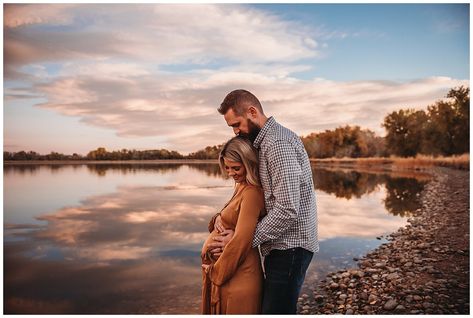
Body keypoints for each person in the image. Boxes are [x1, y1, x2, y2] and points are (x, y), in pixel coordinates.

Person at [207, 89, 319, 314]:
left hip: (290, 246)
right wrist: (222, 217)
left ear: (252, 111)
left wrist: (243, 239)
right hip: (282, 245)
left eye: (237, 125)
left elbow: (287, 210)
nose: (236, 132)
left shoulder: (277, 144)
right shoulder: (264, 143)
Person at [201, 136, 265, 314]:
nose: (230, 173)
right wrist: (217, 218)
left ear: (249, 163)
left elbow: (242, 240)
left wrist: (215, 273)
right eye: (227, 168)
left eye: (236, 168)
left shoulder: (252, 193)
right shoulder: (240, 186)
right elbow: (231, 217)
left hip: (240, 275)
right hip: (230, 274)